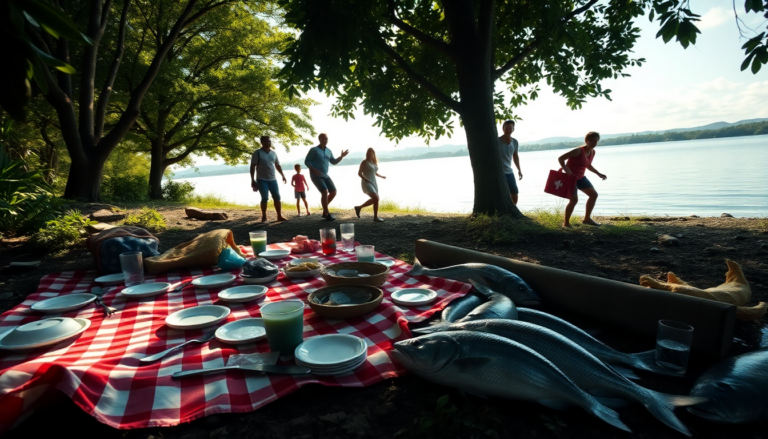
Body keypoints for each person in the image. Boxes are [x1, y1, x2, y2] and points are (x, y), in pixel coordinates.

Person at [558, 131, 607, 228]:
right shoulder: (578, 151)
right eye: (591, 140)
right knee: (574, 200)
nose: (594, 142)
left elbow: (588, 165)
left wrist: (599, 173)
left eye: (596, 141)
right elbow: (561, 158)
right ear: (586, 141)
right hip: (570, 178)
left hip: (580, 178)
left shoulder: (592, 152)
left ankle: (587, 219)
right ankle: (566, 223)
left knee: (593, 195)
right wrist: (567, 170)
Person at [304, 133, 349, 221]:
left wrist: (342, 156)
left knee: (333, 191)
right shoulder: (314, 150)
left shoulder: (329, 151)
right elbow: (307, 161)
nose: (326, 140)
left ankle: (325, 210)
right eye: (325, 139)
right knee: (324, 191)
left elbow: (334, 161)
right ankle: (327, 213)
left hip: (325, 175)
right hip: (316, 175)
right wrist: (313, 169)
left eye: (327, 139)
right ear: (320, 139)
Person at [250, 135, 288, 223]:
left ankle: (279, 215)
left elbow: (277, 165)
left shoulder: (273, 153)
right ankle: (264, 215)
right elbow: (252, 166)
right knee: (264, 198)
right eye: (266, 141)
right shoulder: (257, 153)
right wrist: (252, 179)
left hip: (273, 179)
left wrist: (282, 175)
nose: (268, 143)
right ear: (262, 143)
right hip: (261, 179)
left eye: (269, 141)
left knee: (277, 197)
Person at [354, 148, 387, 222]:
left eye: (372, 152)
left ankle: (359, 208)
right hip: (367, 183)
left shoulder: (373, 162)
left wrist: (381, 176)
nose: (371, 154)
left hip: (373, 182)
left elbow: (374, 172)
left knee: (376, 199)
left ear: (374, 154)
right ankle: (375, 218)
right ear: (367, 153)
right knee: (376, 198)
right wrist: (365, 179)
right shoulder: (364, 162)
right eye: (369, 152)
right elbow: (359, 173)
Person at [499, 120, 522, 205]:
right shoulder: (497, 141)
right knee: (504, 193)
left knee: (514, 192)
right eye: (506, 128)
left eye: (510, 128)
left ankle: (513, 209)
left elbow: (515, 156)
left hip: (509, 171)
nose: (508, 130)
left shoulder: (515, 142)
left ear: (513, 129)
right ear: (503, 129)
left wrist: (519, 170)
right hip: (499, 173)